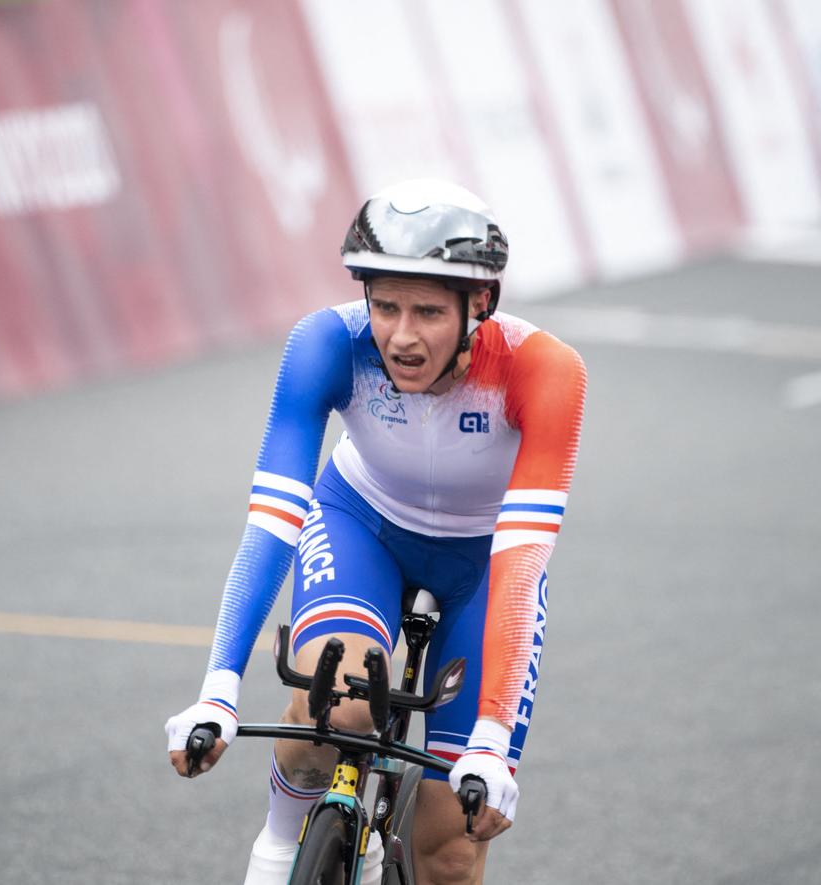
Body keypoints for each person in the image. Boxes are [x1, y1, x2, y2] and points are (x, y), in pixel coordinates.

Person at [164, 179, 586, 885]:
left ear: (480, 303)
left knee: (451, 849)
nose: (401, 335)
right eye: (385, 306)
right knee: (339, 706)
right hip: (361, 524)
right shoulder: (328, 343)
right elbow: (272, 522)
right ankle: (277, 847)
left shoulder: (543, 369)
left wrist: (490, 738)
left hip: (484, 563)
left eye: (428, 311)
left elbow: (521, 563)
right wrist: (218, 688)